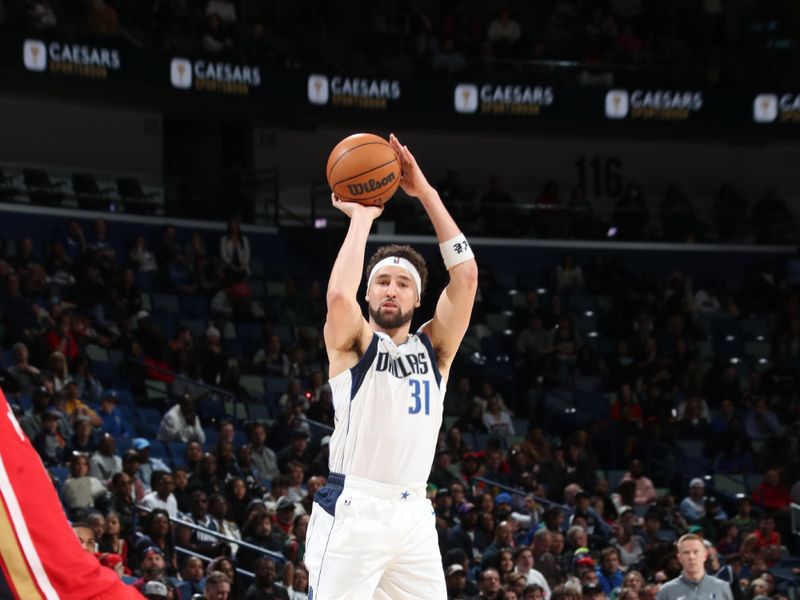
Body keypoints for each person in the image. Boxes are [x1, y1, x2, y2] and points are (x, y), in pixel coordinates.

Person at [304, 133, 478, 599]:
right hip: (355, 508)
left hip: (413, 513)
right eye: (381, 281)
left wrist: (426, 193)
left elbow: (466, 276)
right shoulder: (354, 345)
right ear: (368, 294)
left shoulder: (436, 349)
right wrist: (361, 219)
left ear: (418, 298)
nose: (390, 289)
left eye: (402, 283)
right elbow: (339, 296)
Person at [656, 534, 733, 600]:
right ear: (679, 558)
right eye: (686, 553)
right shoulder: (667, 591)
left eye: (696, 552)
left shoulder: (722, 587)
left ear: (705, 555)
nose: (691, 557)